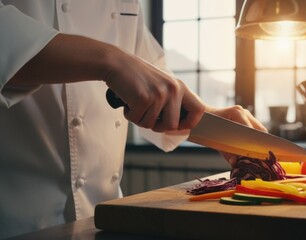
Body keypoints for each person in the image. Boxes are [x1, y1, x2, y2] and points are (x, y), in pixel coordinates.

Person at [0, 1, 266, 238]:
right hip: (16, 223)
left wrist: (211, 117)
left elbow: (155, 80)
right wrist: (110, 60)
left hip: (101, 223)